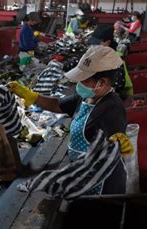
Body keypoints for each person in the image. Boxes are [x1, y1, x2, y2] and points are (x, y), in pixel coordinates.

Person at [9, 46, 132, 195]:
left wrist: (118, 138)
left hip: (101, 184)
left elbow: (110, 150)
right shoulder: (87, 97)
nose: (78, 83)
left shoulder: (112, 110)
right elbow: (57, 105)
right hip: (82, 173)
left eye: (84, 79)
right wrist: (31, 96)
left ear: (103, 82)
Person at [89, 24, 133, 99]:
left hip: (118, 98)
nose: (93, 46)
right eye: (93, 43)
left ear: (108, 42)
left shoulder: (115, 59)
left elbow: (114, 85)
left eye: (97, 44)